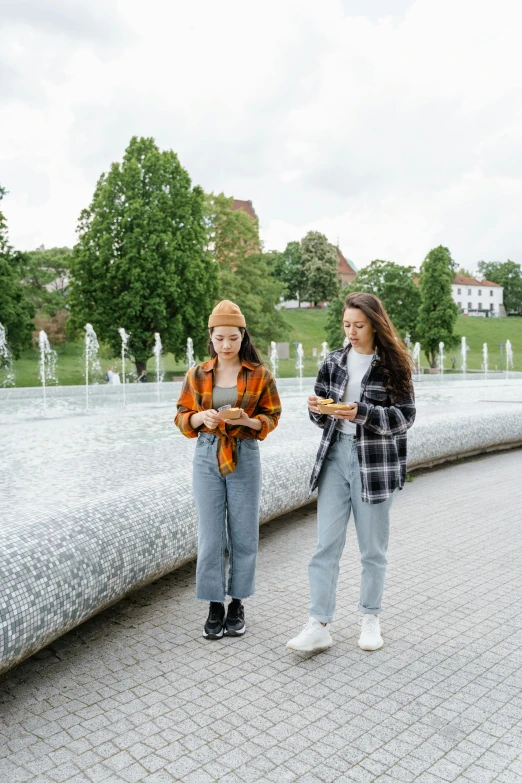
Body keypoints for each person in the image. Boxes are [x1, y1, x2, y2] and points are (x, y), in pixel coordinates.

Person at [287, 292, 416, 654]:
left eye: (359, 325)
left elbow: (404, 417)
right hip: (335, 458)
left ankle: (370, 617)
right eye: (347, 325)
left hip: (374, 462)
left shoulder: (394, 366)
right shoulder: (333, 361)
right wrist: (318, 408)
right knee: (325, 544)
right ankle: (318, 623)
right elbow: (319, 415)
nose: (352, 332)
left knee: (372, 549)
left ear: (375, 324)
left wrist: (360, 413)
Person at [175, 300, 281, 640]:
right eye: (220, 338)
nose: (226, 345)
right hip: (207, 453)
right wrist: (199, 417)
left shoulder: (260, 374)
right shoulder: (197, 374)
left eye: (233, 338)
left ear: (243, 336)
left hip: (244, 453)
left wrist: (246, 419)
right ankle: (213, 604)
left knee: (244, 532)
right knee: (210, 535)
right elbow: (180, 415)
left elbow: (273, 416)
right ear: (211, 336)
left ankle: (237, 603)